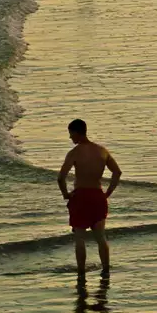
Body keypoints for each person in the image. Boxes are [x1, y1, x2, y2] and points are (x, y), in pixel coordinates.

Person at [57, 119, 121, 278]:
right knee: (100, 237)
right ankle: (106, 270)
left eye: (71, 134)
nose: (70, 138)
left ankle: (81, 273)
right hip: (98, 196)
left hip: (81, 197)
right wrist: (108, 193)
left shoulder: (74, 153)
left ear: (77, 133)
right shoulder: (102, 151)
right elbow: (117, 172)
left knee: (80, 238)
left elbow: (60, 178)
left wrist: (66, 195)